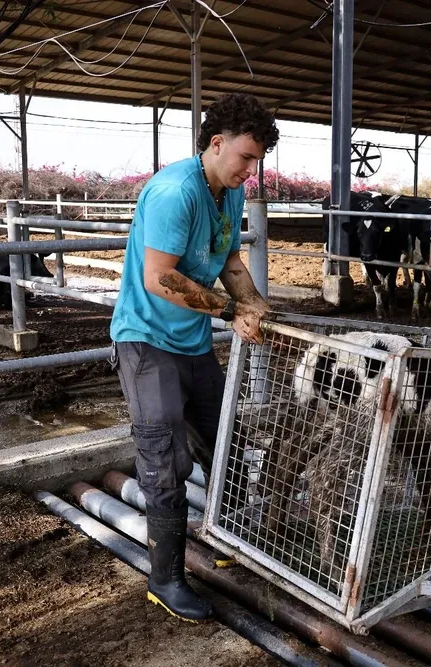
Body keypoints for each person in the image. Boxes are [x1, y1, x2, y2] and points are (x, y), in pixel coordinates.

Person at [109, 92, 278, 621]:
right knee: (165, 462)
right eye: (246, 157)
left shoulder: (227, 192)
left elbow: (227, 257)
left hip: (191, 343)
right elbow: (159, 278)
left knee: (225, 439)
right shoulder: (175, 192)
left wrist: (252, 300)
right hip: (147, 344)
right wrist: (230, 313)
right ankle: (166, 580)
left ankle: (226, 533)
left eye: (258, 161)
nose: (251, 171)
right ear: (216, 143)